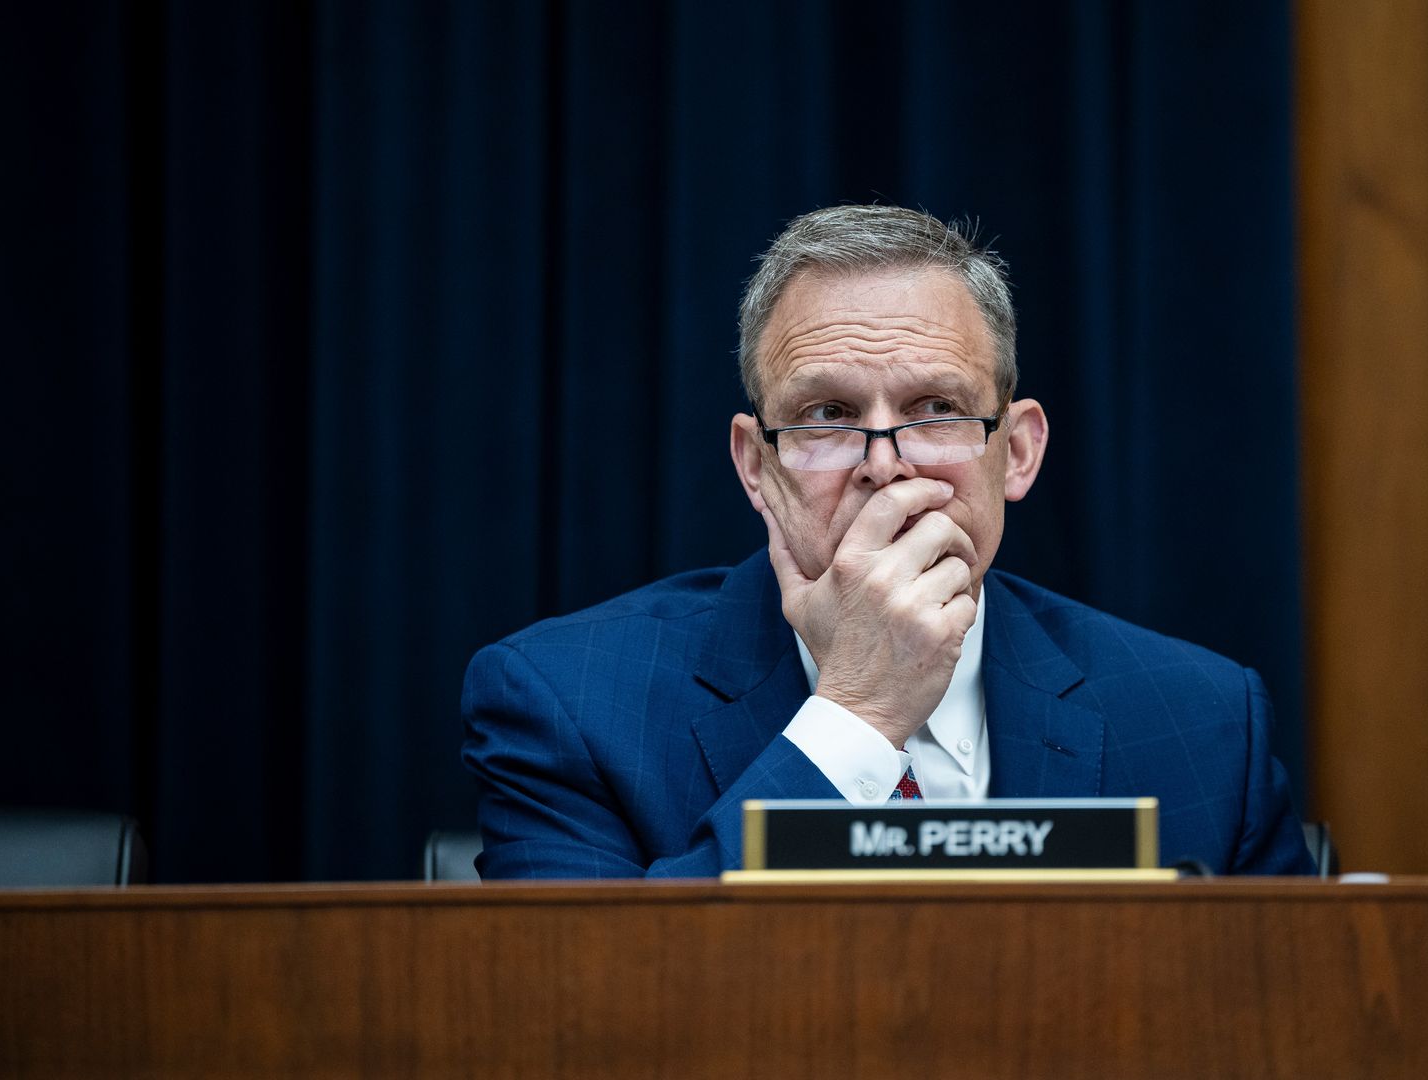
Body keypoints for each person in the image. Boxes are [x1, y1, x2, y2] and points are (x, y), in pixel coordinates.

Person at [462, 205, 1313, 877]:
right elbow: (594, 1019)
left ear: (1015, 451)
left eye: (936, 411)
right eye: (828, 415)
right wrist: (858, 716)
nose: (886, 464)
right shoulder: (564, 705)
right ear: (757, 467)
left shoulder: (1204, 723)